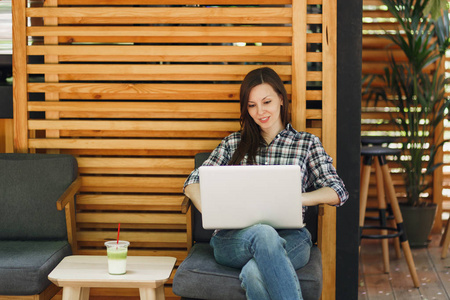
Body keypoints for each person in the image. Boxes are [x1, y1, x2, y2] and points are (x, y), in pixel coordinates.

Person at [183, 67, 349, 300]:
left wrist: (298, 198)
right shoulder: (233, 143)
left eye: (266, 101)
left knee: (253, 273)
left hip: (291, 237)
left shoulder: (306, 143)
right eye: (252, 105)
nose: (260, 111)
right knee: (263, 234)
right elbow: (192, 182)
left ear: (281, 99)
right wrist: (211, 211)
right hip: (234, 240)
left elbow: (338, 191)